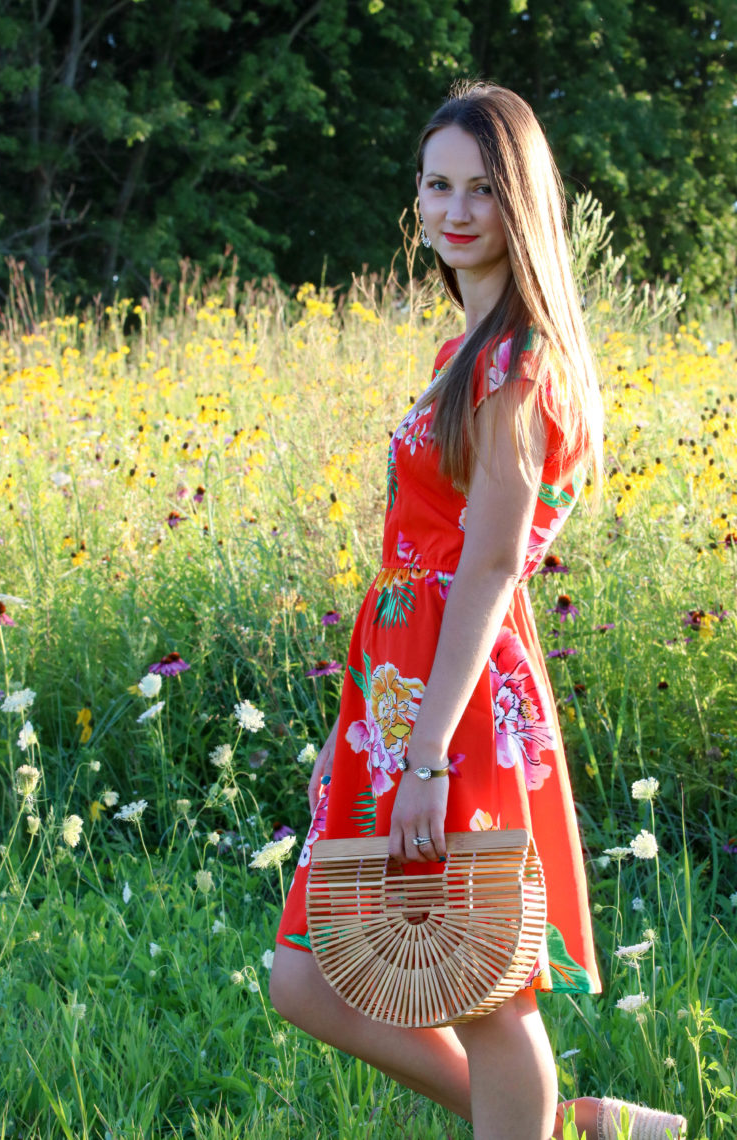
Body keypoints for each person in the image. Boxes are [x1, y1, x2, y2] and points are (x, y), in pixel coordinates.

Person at [269, 82, 687, 1140]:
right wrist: (350, 734)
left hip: (455, 706)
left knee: (487, 993)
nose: (455, 210)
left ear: (521, 205)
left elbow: (490, 565)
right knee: (304, 978)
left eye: (482, 189)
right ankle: (571, 1129)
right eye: (437, 184)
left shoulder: (515, 361)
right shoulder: (466, 350)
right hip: (401, 692)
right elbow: (419, 561)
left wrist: (424, 754)